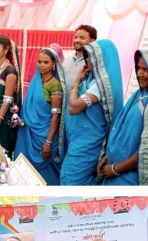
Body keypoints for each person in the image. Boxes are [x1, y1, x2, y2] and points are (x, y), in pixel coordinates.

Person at [61, 39, 123, 185]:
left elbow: (74, 107)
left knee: (71, 182)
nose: (87, 59)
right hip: (77, 141)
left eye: (91, 56)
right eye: (86, 56)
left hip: (88, 144)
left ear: (102, 59)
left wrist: (77, 81)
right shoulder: (90, 81)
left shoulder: (100, 88)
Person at [15, 46, 66, 184]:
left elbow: (56, 116)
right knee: (23, 171)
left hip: (43, 136)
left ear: (54, 64)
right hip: (27, 134)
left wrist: (48, 141)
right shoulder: (35, 81)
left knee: (44, 175)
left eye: (46, 62)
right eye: (39, 61)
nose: (41, 65)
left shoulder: (54, 85)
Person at [98, 49, 148, 183]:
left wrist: (116, 169)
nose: (139, 74)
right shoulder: (139, 94)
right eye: (138, 68)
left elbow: (145, 151)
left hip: (128, 177)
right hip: (114, 169)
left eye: (145, 69)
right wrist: (109, 156)